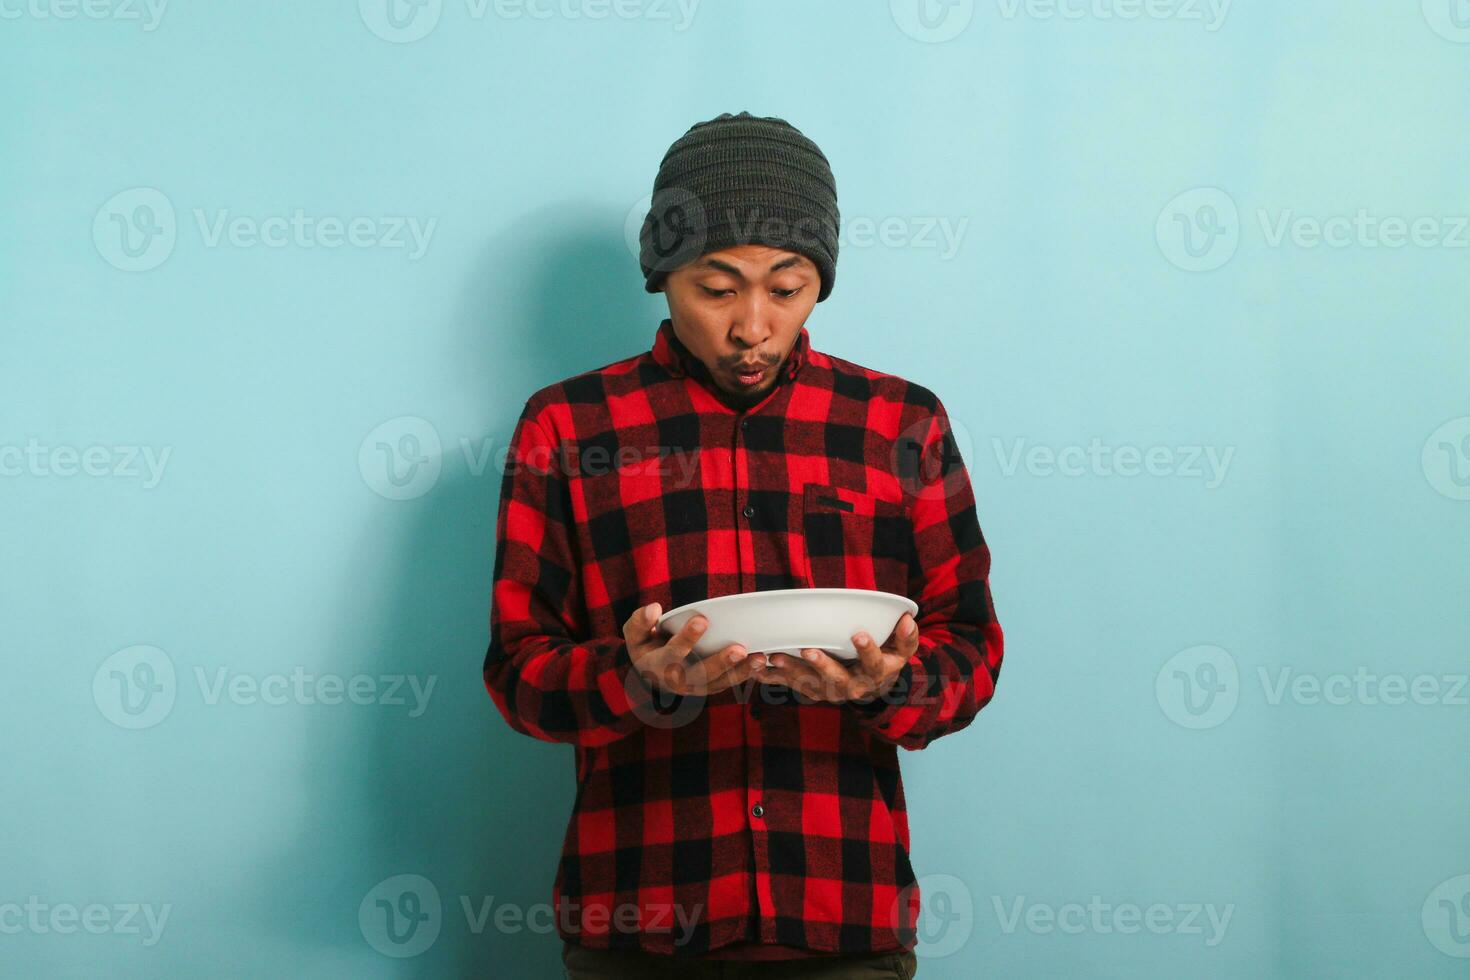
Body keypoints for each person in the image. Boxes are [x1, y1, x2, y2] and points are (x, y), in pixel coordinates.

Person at [483, 110, 1004, 979]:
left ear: (820, 283)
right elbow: (516, 673)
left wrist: (891, 684)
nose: (753, 326)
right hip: (639, 930)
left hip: (844, 924)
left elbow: (973, 652)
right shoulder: (567, 427)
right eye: (717, 289)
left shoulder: (900, 423)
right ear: (662, 276)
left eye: (787, 287)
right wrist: (635, 679)